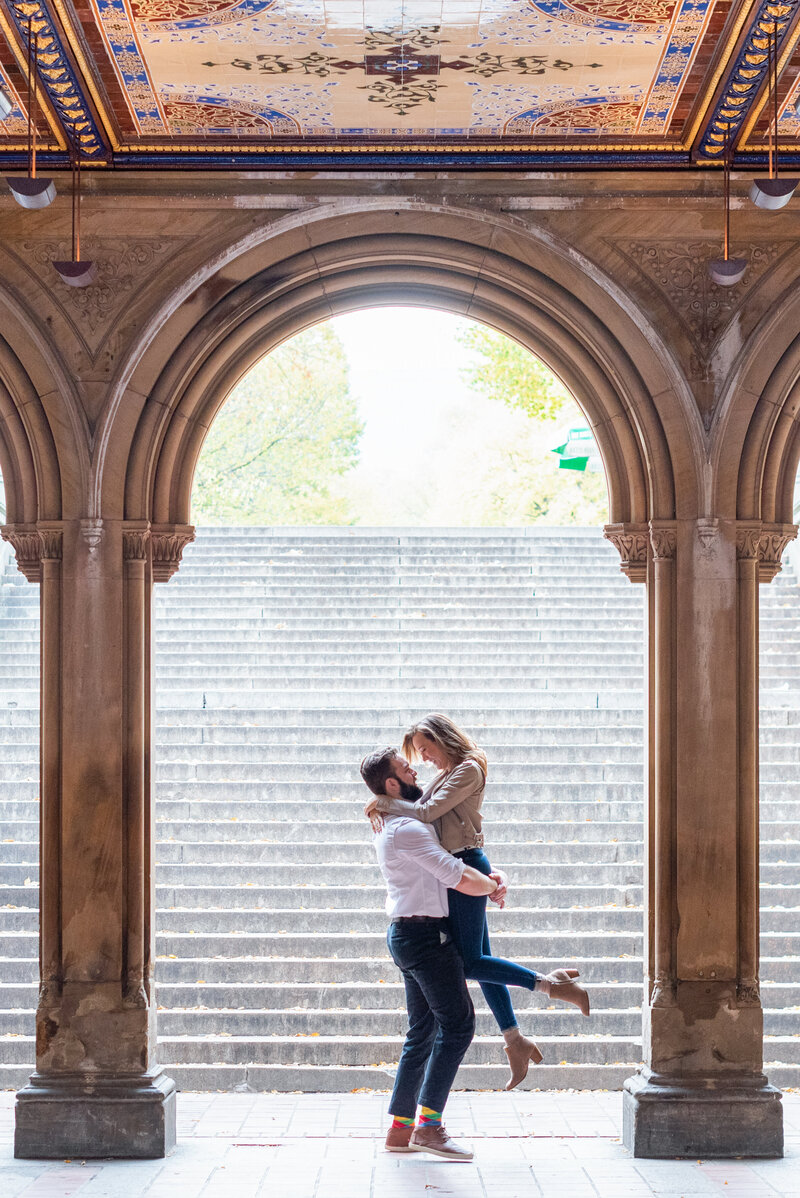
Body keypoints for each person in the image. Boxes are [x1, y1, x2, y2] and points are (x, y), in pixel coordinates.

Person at [365, 713, 590, 1090]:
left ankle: (551, 986)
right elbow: (432, 817)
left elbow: (426, 813)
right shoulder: (446, 773)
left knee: (468, 962)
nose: (424, 760)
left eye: (425, 749)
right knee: (478, 959)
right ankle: (514, 1038)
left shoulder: (468, 768)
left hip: (464, 864)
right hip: (462, 864)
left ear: (442, 738)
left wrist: (383, 803)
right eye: (416, 755)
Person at [360, 746, 508, 1161]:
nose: (416, 771)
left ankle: (399, 1129)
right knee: (458, 1027)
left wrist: (490, 876)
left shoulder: (397, 823)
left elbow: (452, 872)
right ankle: (428, 1127)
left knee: (422, 1032)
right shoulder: (406, 829)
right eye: (408, 768)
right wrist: (492, 886)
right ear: (393, 784)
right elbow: (455, 875)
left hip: (409, 934)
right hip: (424, 938)